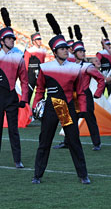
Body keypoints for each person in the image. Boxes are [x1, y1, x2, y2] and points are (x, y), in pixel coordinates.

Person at [31, 13, 90, 184]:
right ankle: (37, 175)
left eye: (66, 48)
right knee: (45, 142)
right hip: (51, 107)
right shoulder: (45, 67)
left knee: (74, 141)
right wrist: (36, 107)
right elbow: (40, 89)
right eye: (63, 49)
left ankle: (83, 175)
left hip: (68, 107)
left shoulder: (74, 68)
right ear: (55, 51)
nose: (66, 50)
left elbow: (80, 91)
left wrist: (83, 110)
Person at [53, 25, 105, 151]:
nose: (83, 53)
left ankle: (96, 143)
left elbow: (101, 79)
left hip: (85, 95)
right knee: (69, 120)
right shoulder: (69, 65)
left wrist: (98, 93)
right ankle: (67, 141)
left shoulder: (88, 66)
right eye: (80, 51)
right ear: (75, 53)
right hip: (71, 95)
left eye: (84, 51)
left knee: (90, 119)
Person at [0, 7, 28, 168]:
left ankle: (17, 160)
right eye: (9, 39)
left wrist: (24, 98)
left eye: (13, 39)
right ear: (2, 41)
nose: (13, 41)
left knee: (13, 131)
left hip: (11, 97)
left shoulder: (18, 57)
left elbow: (24, 81)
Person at [24, 19, 46, 103]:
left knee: (41, 94)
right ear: (33, 41)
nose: (40, 41)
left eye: (40, 39)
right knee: (28, 94)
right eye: (38, 39)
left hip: (40, 73)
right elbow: (25, 64)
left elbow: (43, 63)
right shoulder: (29, 51)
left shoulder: (43, 51)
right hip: (30, 74)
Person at [96, 27, 111, 95]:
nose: (109, 46)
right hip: (103, 75)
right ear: (104, 46)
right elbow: (97, 65)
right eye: (107, 45)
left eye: (109, 44)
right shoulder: (100, 53)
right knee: (101, 94)